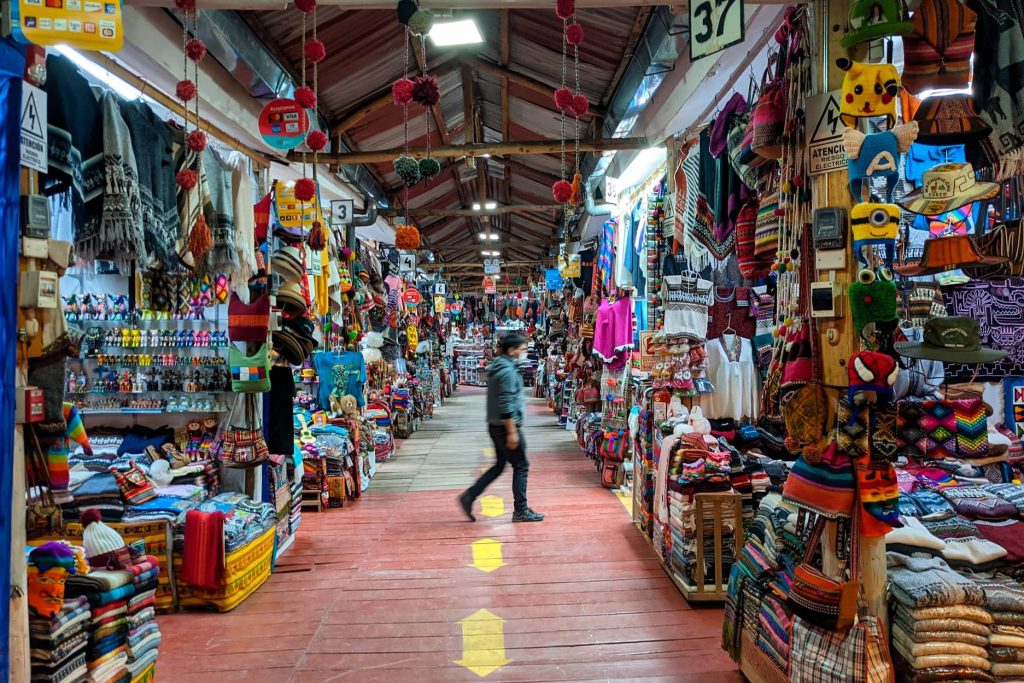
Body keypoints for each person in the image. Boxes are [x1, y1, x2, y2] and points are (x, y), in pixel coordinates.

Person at [459, 333, 544, 523]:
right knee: (521, 466)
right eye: (522, 350)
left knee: (499, 466)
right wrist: (512, 432)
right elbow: (506, 403)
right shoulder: (506, 371)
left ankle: (469, 496)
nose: (524, 353)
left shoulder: (502, 367)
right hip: (506, 427)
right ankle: (521, 510)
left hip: (496, 426)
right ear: (511, 350)